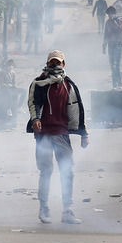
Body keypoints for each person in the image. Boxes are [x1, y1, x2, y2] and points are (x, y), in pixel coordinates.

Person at [26, 50, 89, 224]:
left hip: (62, 134)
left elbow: (78, 110)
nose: (55, 65)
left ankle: (67, 211)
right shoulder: (38, 83)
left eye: (58, 62)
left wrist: (84, 134)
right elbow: (33, 102)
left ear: (63, 64)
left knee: (67, 172)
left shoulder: (69, 85)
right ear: (47, 64)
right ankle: (43, 208)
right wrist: (36, 119)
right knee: (46, 172)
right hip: (44, 135)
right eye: (52, 62)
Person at [102, 6, 122, 90]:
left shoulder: (119, 21)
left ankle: (120, 84)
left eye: (110, 14)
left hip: (118, 46)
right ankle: (114, 85)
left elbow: (121, 32)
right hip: (111, 46)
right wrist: (104, 46)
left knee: (116, 65)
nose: (109, 16)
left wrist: (116, 24)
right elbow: (106, 35)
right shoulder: (108, 22)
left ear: (114, 14)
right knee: (112, 66)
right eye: (108, 14)